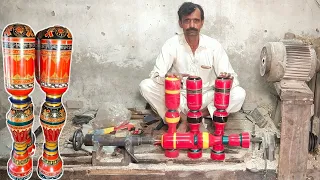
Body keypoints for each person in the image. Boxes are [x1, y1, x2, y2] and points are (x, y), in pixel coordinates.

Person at [139, 2, 246, 132]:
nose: (191, 26)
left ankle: (198, 116)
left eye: (196, 21)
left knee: (239, 94)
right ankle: (183, 118)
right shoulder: (171, 44)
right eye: (187, 21)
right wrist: (169, 78)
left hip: (206, 98)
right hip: (179, 98)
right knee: (146, 85)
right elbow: (156, 74)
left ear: (202, 23)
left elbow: (232, 77)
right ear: (180, 23)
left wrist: (227, 79)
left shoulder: (213, 46)